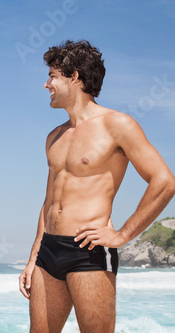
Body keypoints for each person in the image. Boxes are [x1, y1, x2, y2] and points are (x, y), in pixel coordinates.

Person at [18, 40, 175, 333]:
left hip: (87, 251)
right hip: (48, 252)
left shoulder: (117, 124)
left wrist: (123, 234)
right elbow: (49, 201)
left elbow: (165, 181)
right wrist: (33, 258)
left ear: (74, 77)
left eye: (52, 76)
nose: (46, 84)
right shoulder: (54, 136)